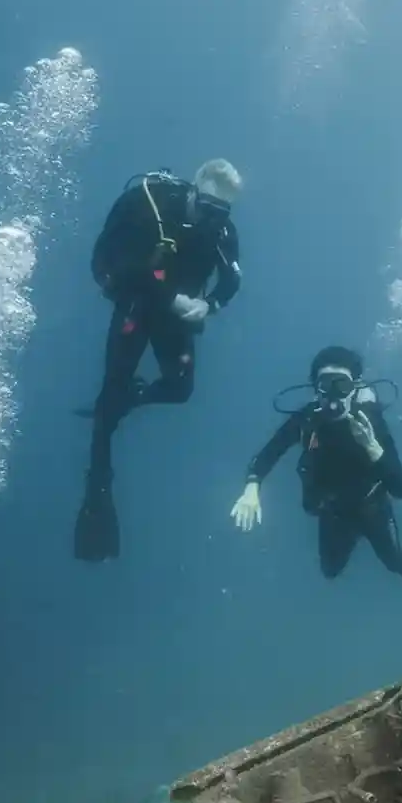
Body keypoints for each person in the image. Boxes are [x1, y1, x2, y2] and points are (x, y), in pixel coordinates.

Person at [75, 158, 245, 562]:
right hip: (136, 305)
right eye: (205, 207)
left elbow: (233, 278)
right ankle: (98, 487)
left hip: (177, 313)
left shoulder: (221, 227)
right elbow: (106, 262)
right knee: (108, 403)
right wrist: (170, 298)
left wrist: (211, 306)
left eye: (220, 213)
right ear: (193, 189)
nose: (209, 220)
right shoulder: (145, 203)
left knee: (181, 389)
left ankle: (130, 400)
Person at [229, 346, 402, 621]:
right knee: (330, 570)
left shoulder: (370, 420)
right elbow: (269, 453)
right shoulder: (307, 419)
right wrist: (252, 488)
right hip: (333, 513)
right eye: (325, 384)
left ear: (355, 388)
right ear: (315, 389)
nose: (333, 395)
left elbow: (401, 488)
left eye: (341, 385)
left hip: (372, 509)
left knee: (393, 560)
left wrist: (372, 447)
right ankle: (352, 536)